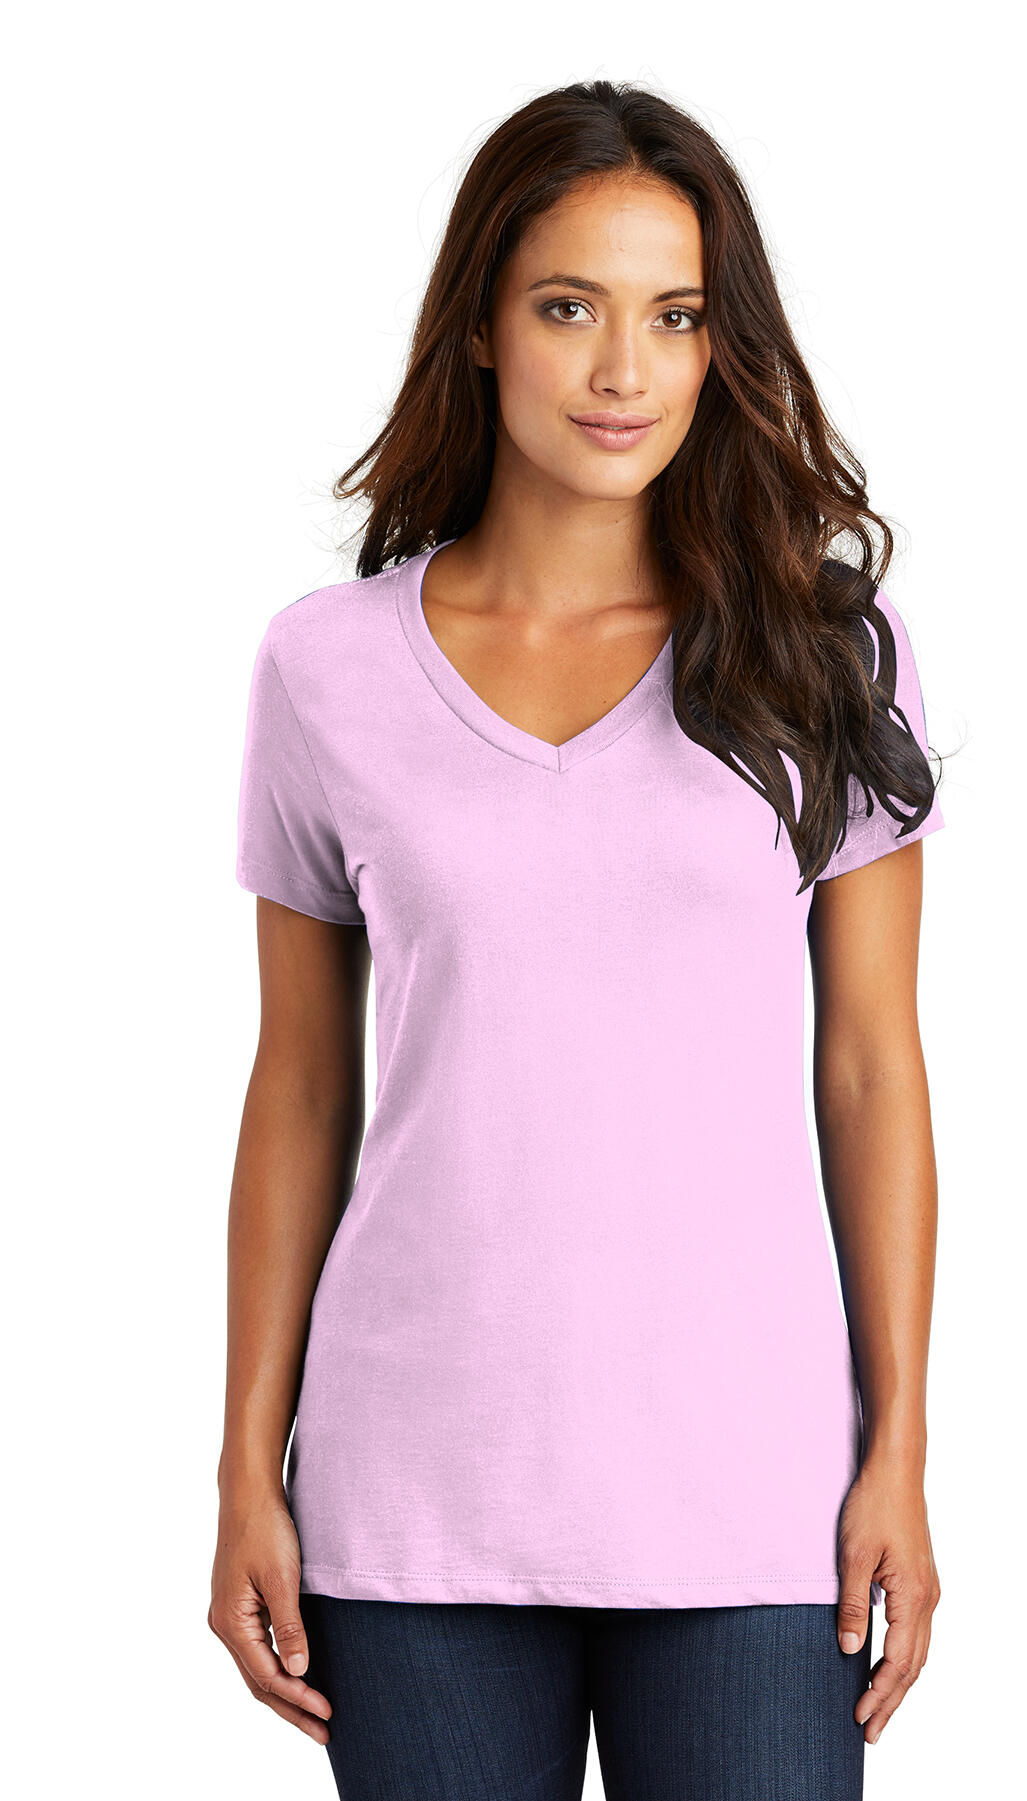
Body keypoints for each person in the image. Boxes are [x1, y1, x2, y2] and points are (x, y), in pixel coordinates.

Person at [210, 78, 945, 1801]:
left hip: (756, 1496)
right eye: (568, 308)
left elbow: (871, 1067)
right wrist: (246, 1459)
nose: (624, 370)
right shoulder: (328, 667)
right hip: (415, 1502)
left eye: (674, 316)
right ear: (479, 325)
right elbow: (300, 1085)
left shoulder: (823, 652)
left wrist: (901, 1444)